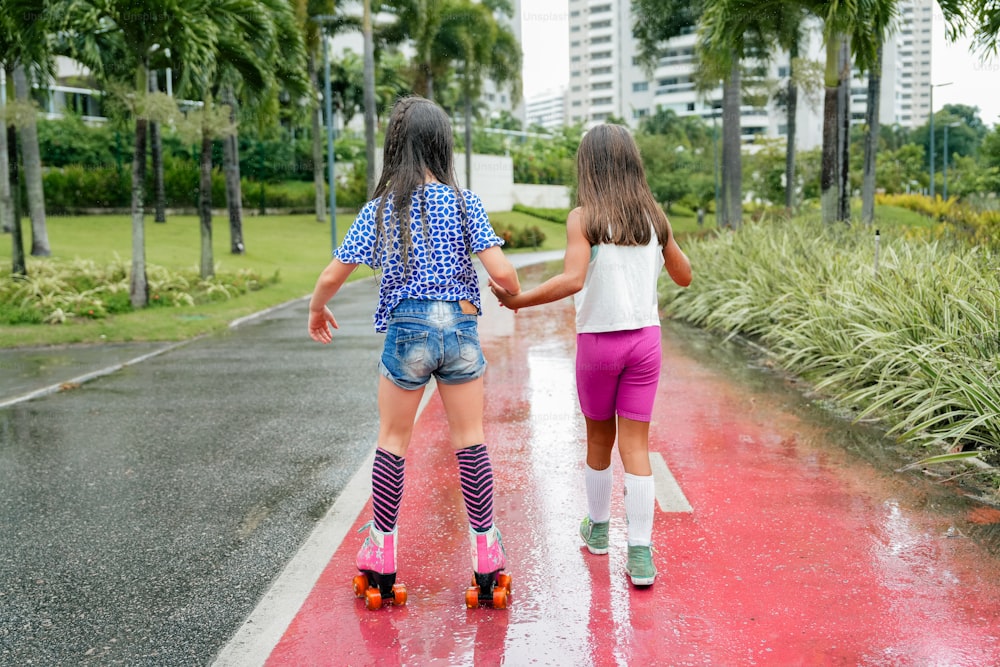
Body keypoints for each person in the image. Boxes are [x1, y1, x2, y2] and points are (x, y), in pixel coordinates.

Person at [307, 96, 521, 605]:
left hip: (406, 330)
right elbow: (506, 274)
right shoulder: (464, 202)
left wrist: (317, 310)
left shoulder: (381, 209)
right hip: (461, 327)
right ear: (441, 146)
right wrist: (503, 294)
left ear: (395, 147)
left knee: (393, 439)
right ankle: (486, 551)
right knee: (470, 439)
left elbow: (332, 274)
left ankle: (381, 550)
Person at [490, 123, 692, 586]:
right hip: (645, 342)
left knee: (600, 441)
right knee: (637, 446)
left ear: (589, 167)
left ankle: (599, 531)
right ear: (632, 163)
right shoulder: (653, 215)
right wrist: (662, 237)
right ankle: (640, 555)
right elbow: (684, 276)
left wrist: (519, 301)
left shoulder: (584, 218)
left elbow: (573, 280)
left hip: (600, 344)